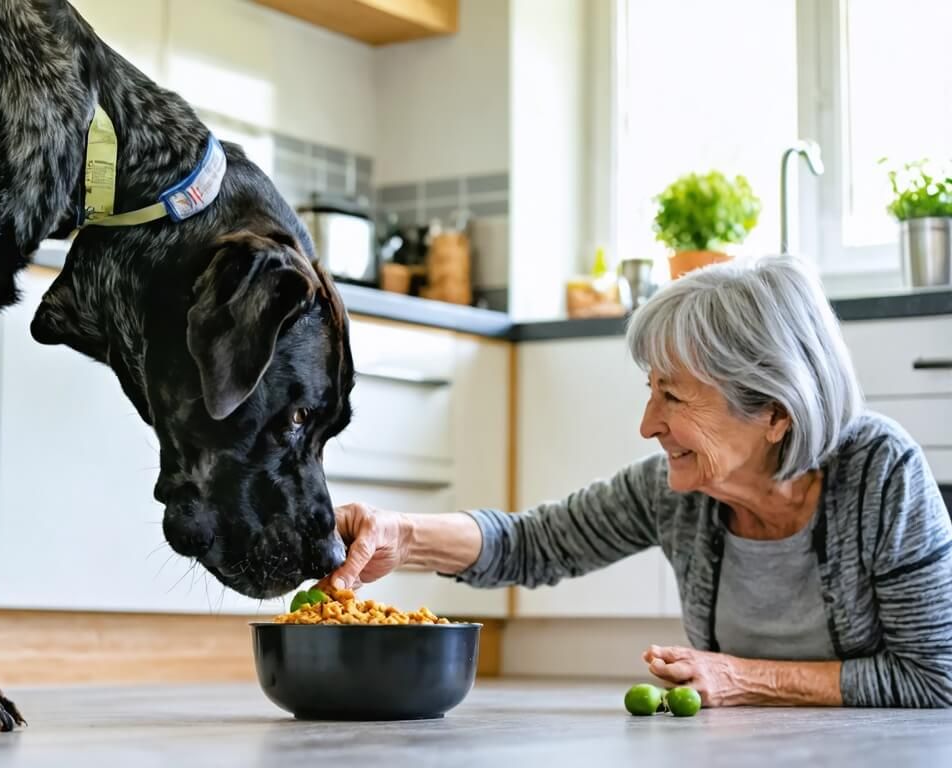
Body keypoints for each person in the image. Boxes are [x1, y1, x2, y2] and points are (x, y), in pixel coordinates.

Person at [325, 256, 952, 708]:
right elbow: (533, 542)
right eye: (651, 391)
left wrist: (744, 678)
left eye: (673, 397)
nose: (648, 424)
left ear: (774, 413)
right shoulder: (679, 490)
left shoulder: (881, 475)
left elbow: (936, 677)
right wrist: (402, 535)